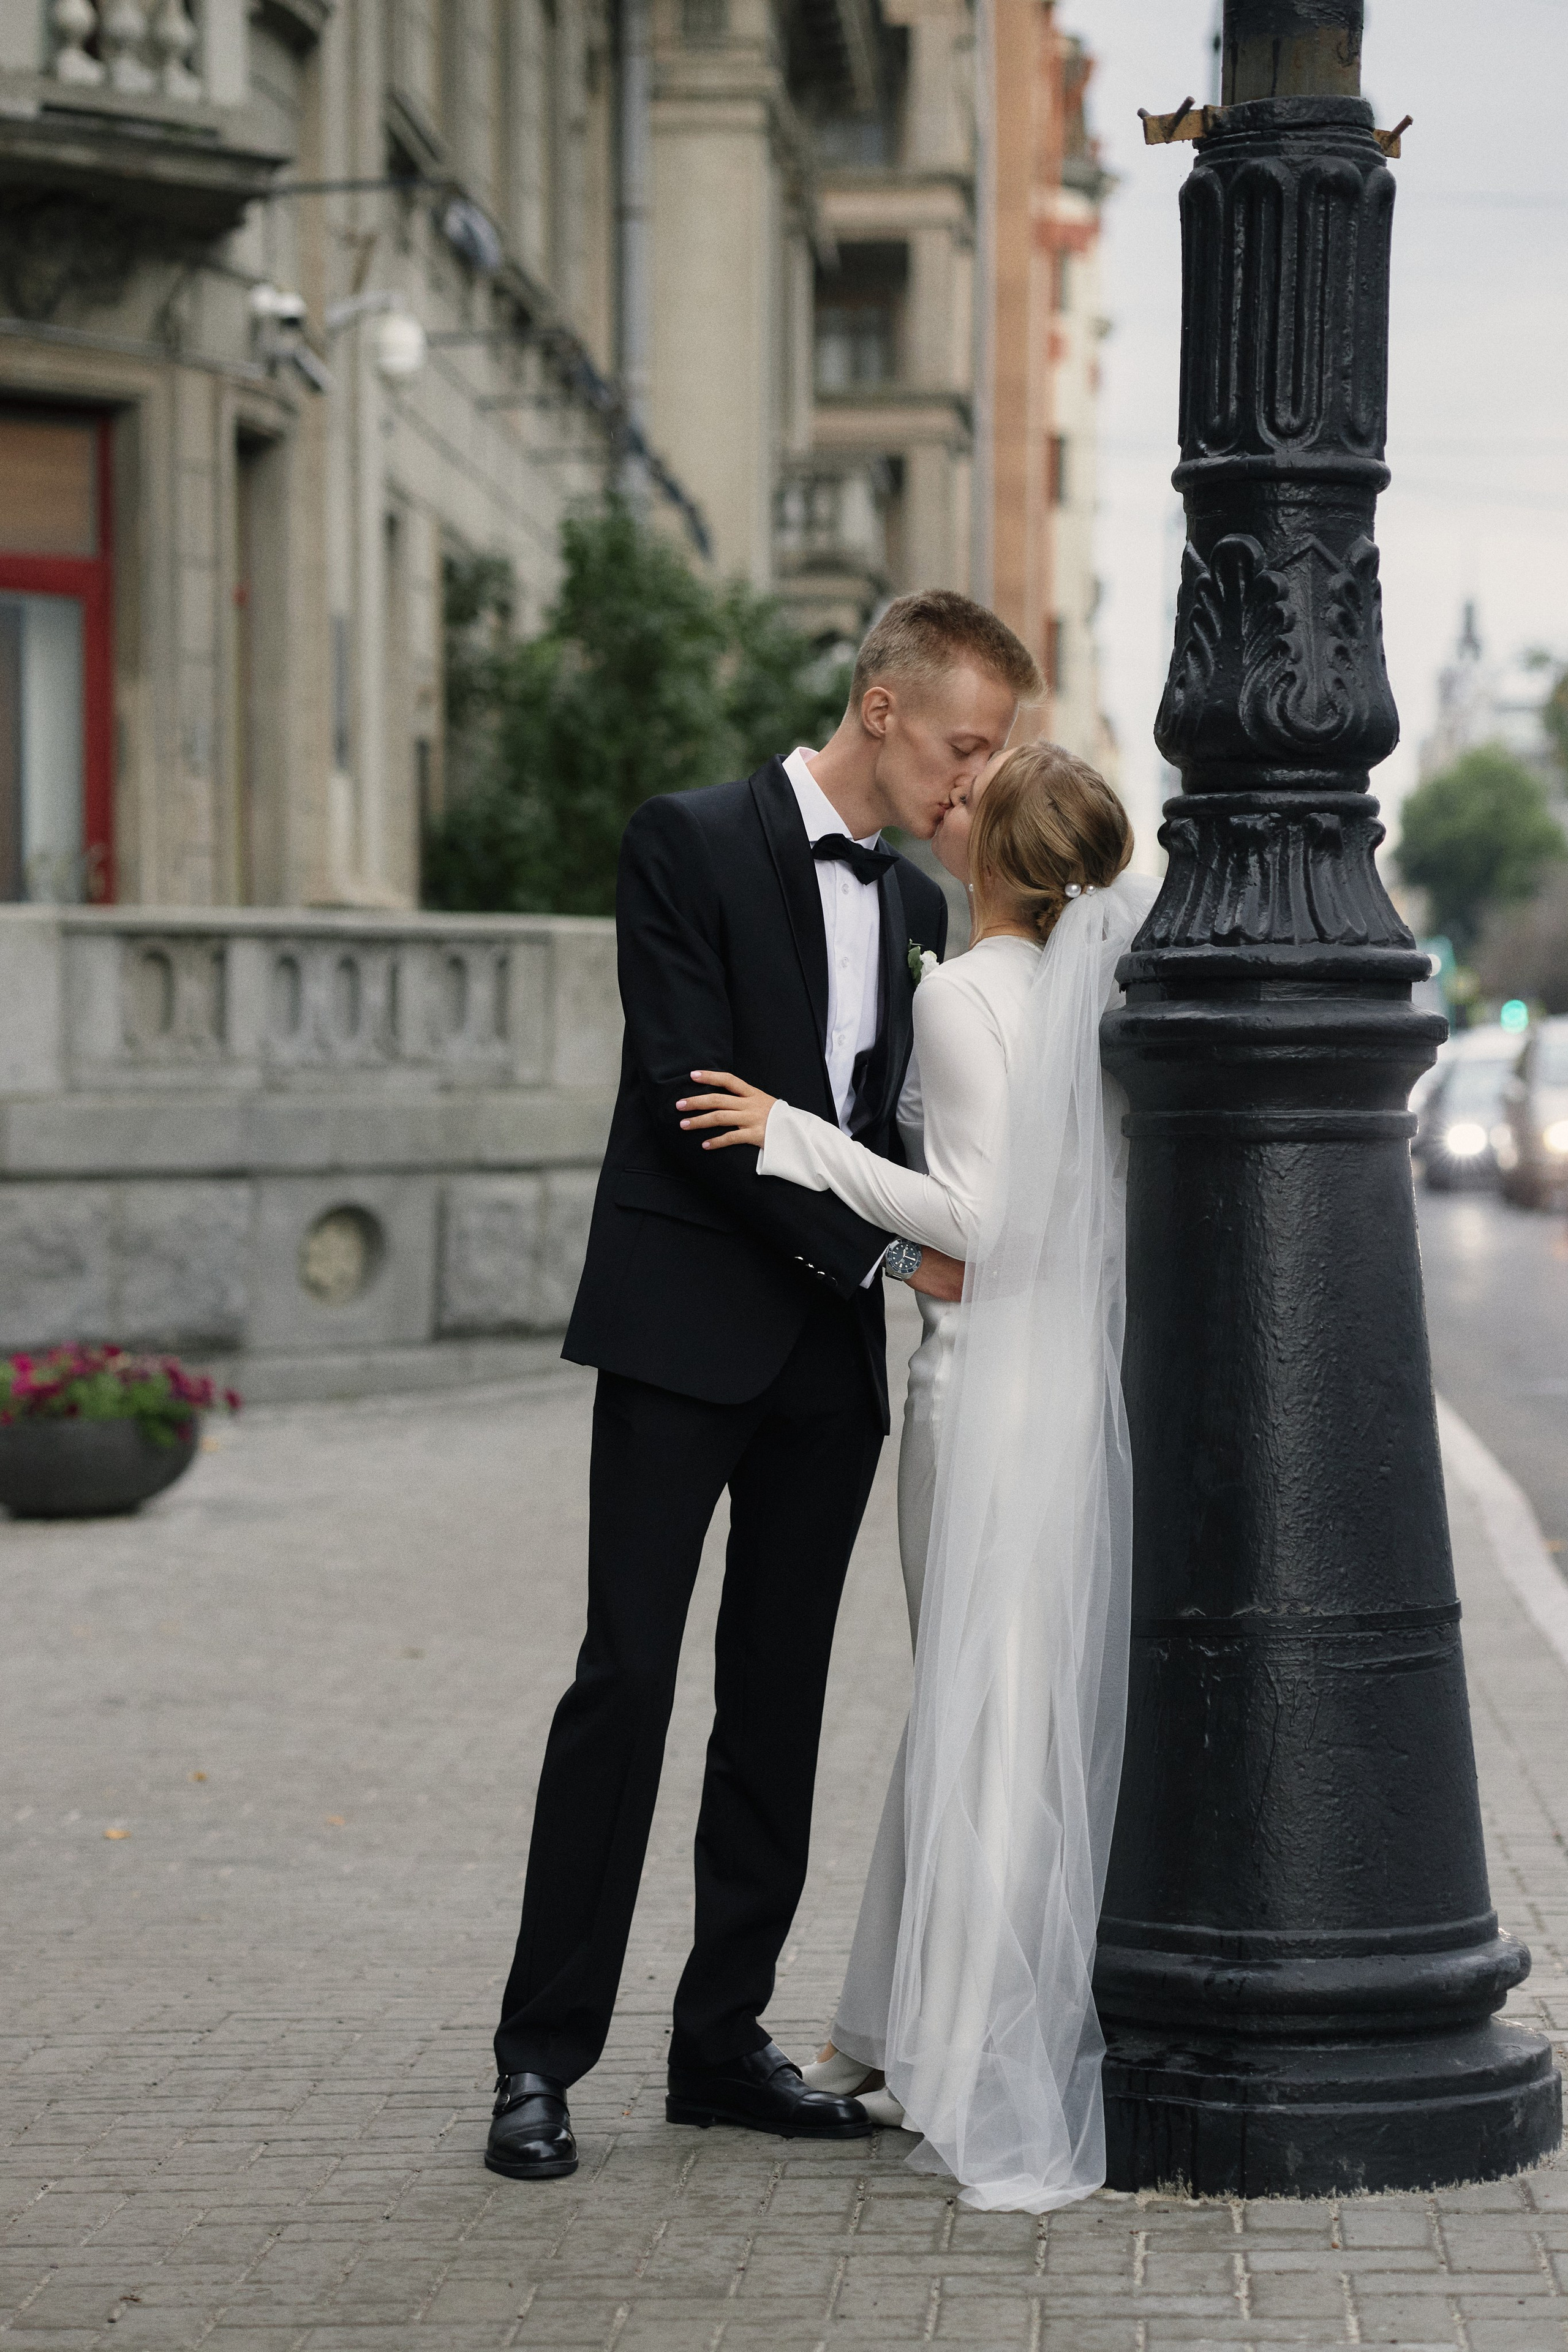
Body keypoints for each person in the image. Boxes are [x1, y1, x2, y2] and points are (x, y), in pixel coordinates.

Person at [485, 590, 1043, 2181]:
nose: (976, 778)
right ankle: (538, 2062)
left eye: (995, 750)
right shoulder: (685, 841)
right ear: (881, 710)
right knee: (627, 1686)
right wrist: (883, 1259)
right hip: (682, 1330)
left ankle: (721, 2042)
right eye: (964, 742)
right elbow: (691, 1103)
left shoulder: (923, 908)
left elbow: (912, 1146)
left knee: (779, 1705)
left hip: (823, 1373)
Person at [677, 739, 1158, 2210]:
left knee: (969, 1708)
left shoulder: (958, 994)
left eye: (968, 798)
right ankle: (894, 2024)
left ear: (996, 855)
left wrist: (799, 1142)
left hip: (985, 1384)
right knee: (1010, 1710)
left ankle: (954, 2042)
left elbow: (978, 1216)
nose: (942, 813)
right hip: (1072, 1385)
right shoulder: (1100, 1003)